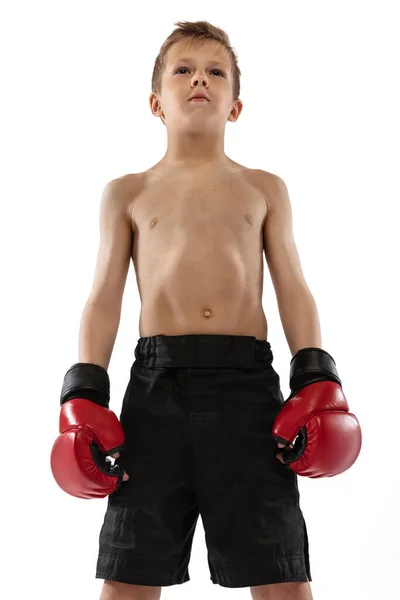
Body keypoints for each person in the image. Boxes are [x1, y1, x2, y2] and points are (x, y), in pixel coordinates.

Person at [51, 20, 362, 600]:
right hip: (154, 390)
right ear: (155, 102)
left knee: (280, 571)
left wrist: (317, 376)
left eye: (215, 71)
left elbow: (292, 284)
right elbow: (102, 297)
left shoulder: (264, 188)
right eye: (183, 70)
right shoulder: (128, 191)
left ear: (236, 105)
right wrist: (84, 392)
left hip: (248, 391)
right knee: (129, 572)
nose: (200, 78)